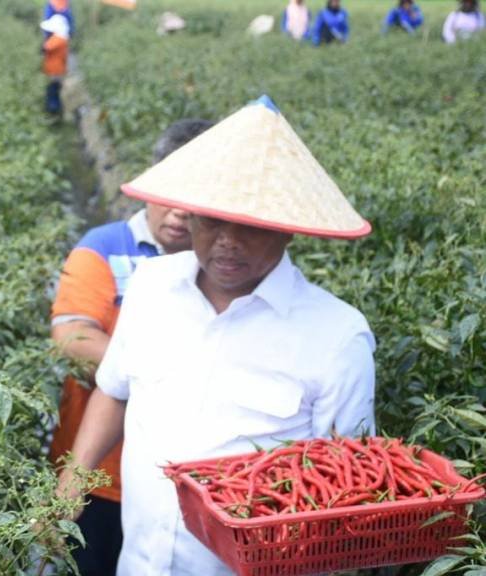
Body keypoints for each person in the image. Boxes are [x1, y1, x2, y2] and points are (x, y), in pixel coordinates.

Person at [57, 95, 376, 575]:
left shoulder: (336, 337)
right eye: (211, 219)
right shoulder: (152, 287)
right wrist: (70, 483)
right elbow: (114, 389)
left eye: (249, 224)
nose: (227, 239)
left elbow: (344, 488)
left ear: (289, 230)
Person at [50, 119, 215, 576]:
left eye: (194, 199)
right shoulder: (103, 248)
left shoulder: (222, 270)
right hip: (103, 478)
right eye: (171, 194)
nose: (180, 212)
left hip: (186, 483)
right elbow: (72, 336)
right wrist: (161, 370)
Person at [40, 14, 70, 116]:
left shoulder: (58, 39)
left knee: (53, 91)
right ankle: (56, 112)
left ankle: (54, 112)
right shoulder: (62, 38)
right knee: (55, 90)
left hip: (55, 70)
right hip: (58, 68)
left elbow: (45, 48)